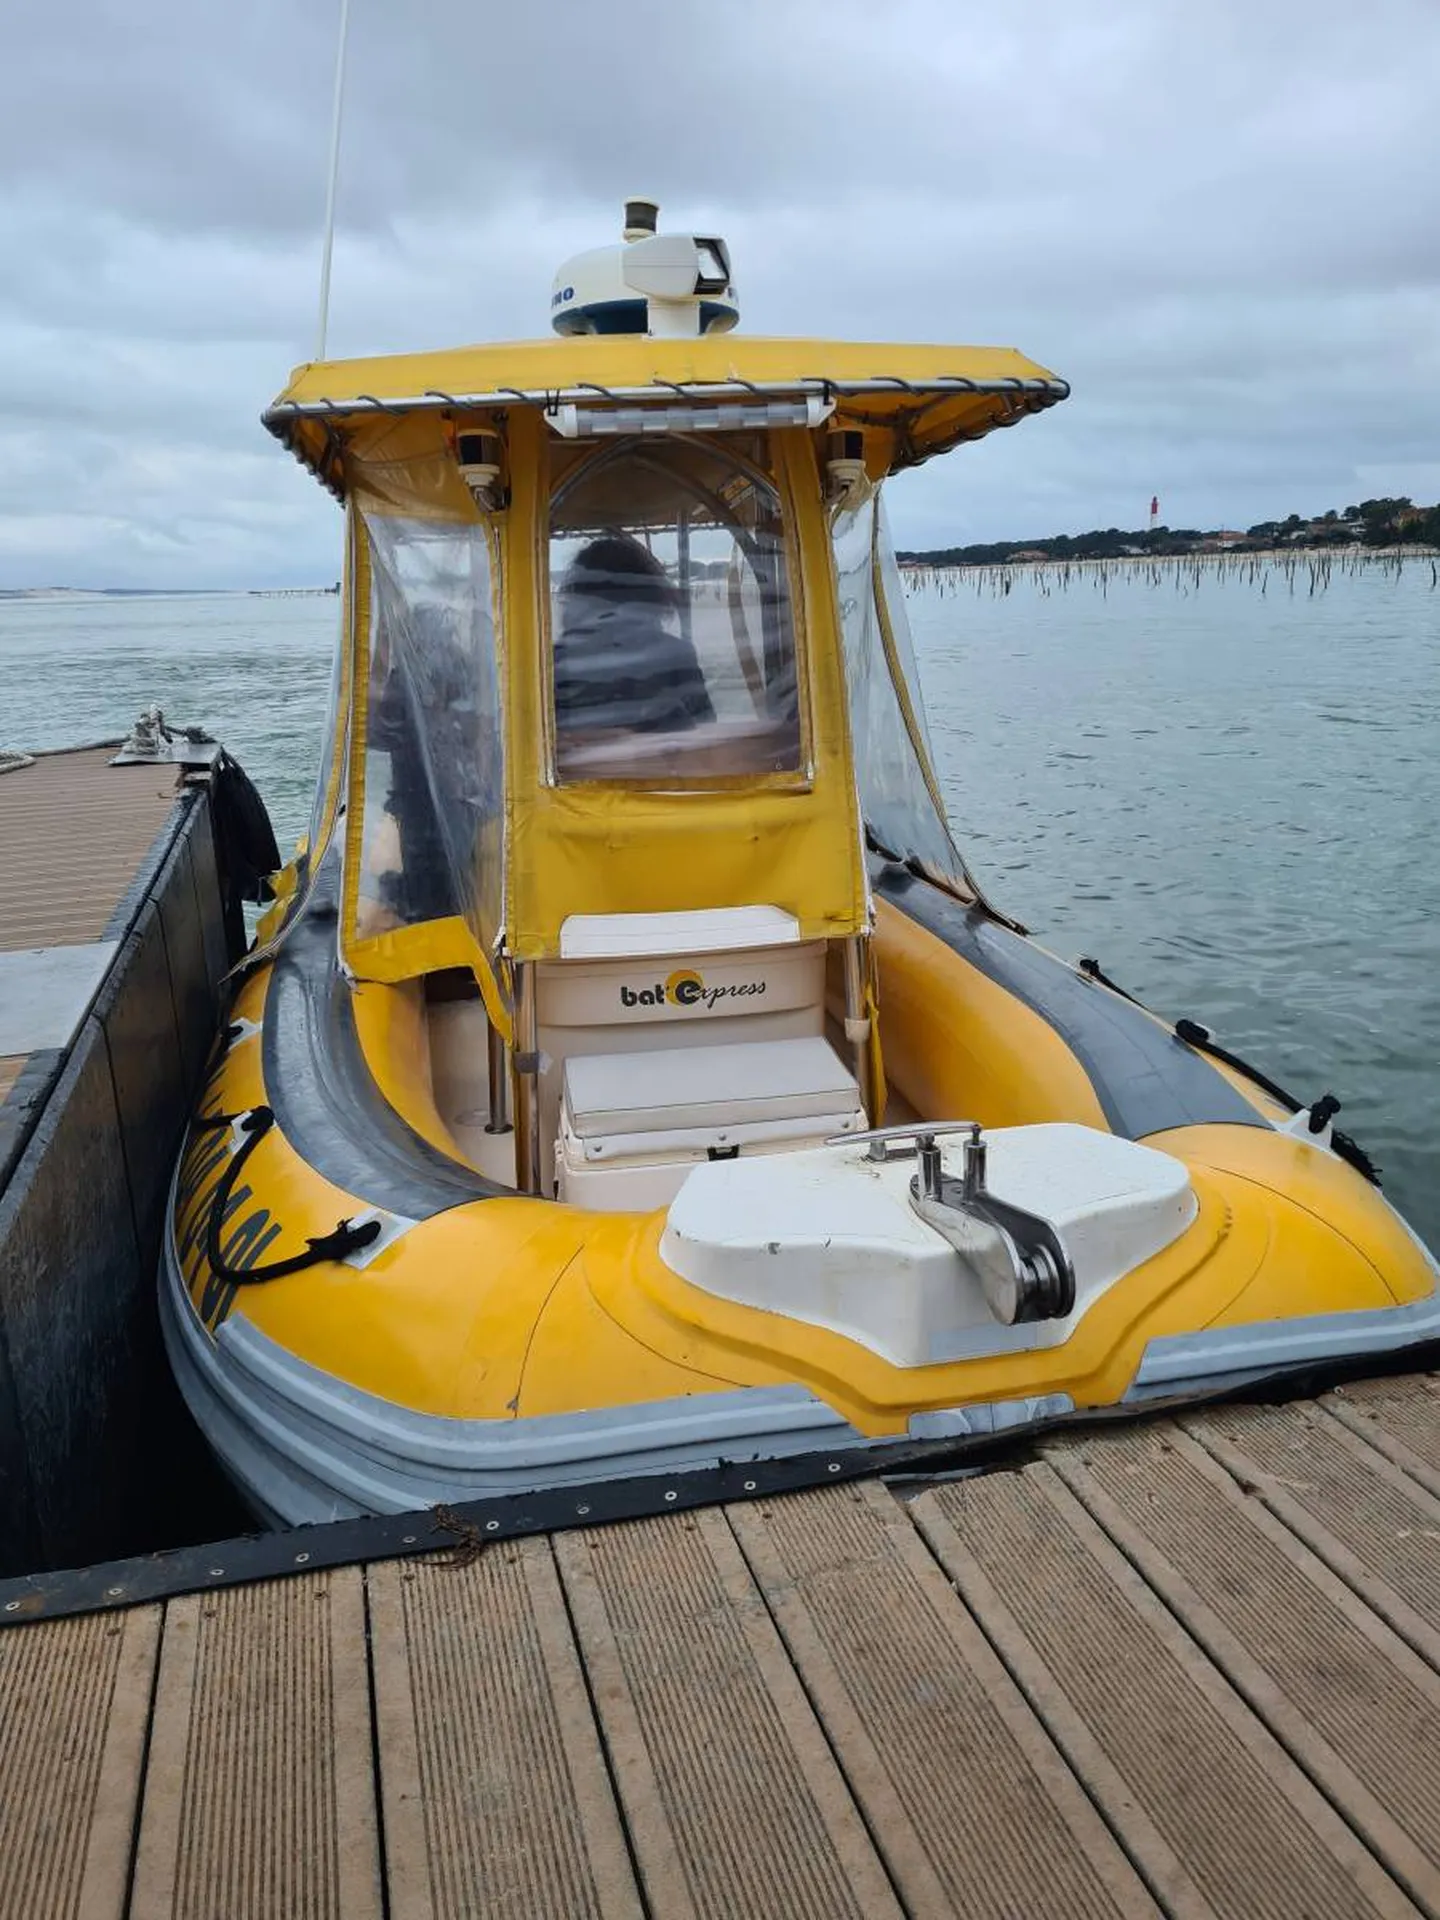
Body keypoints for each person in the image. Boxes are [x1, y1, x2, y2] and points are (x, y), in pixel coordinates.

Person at [554, 535, 715, 740]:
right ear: (650, 593)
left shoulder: (557, 660)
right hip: (664, 768)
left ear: (578, 595)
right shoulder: (674, 654)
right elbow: (705, 731)